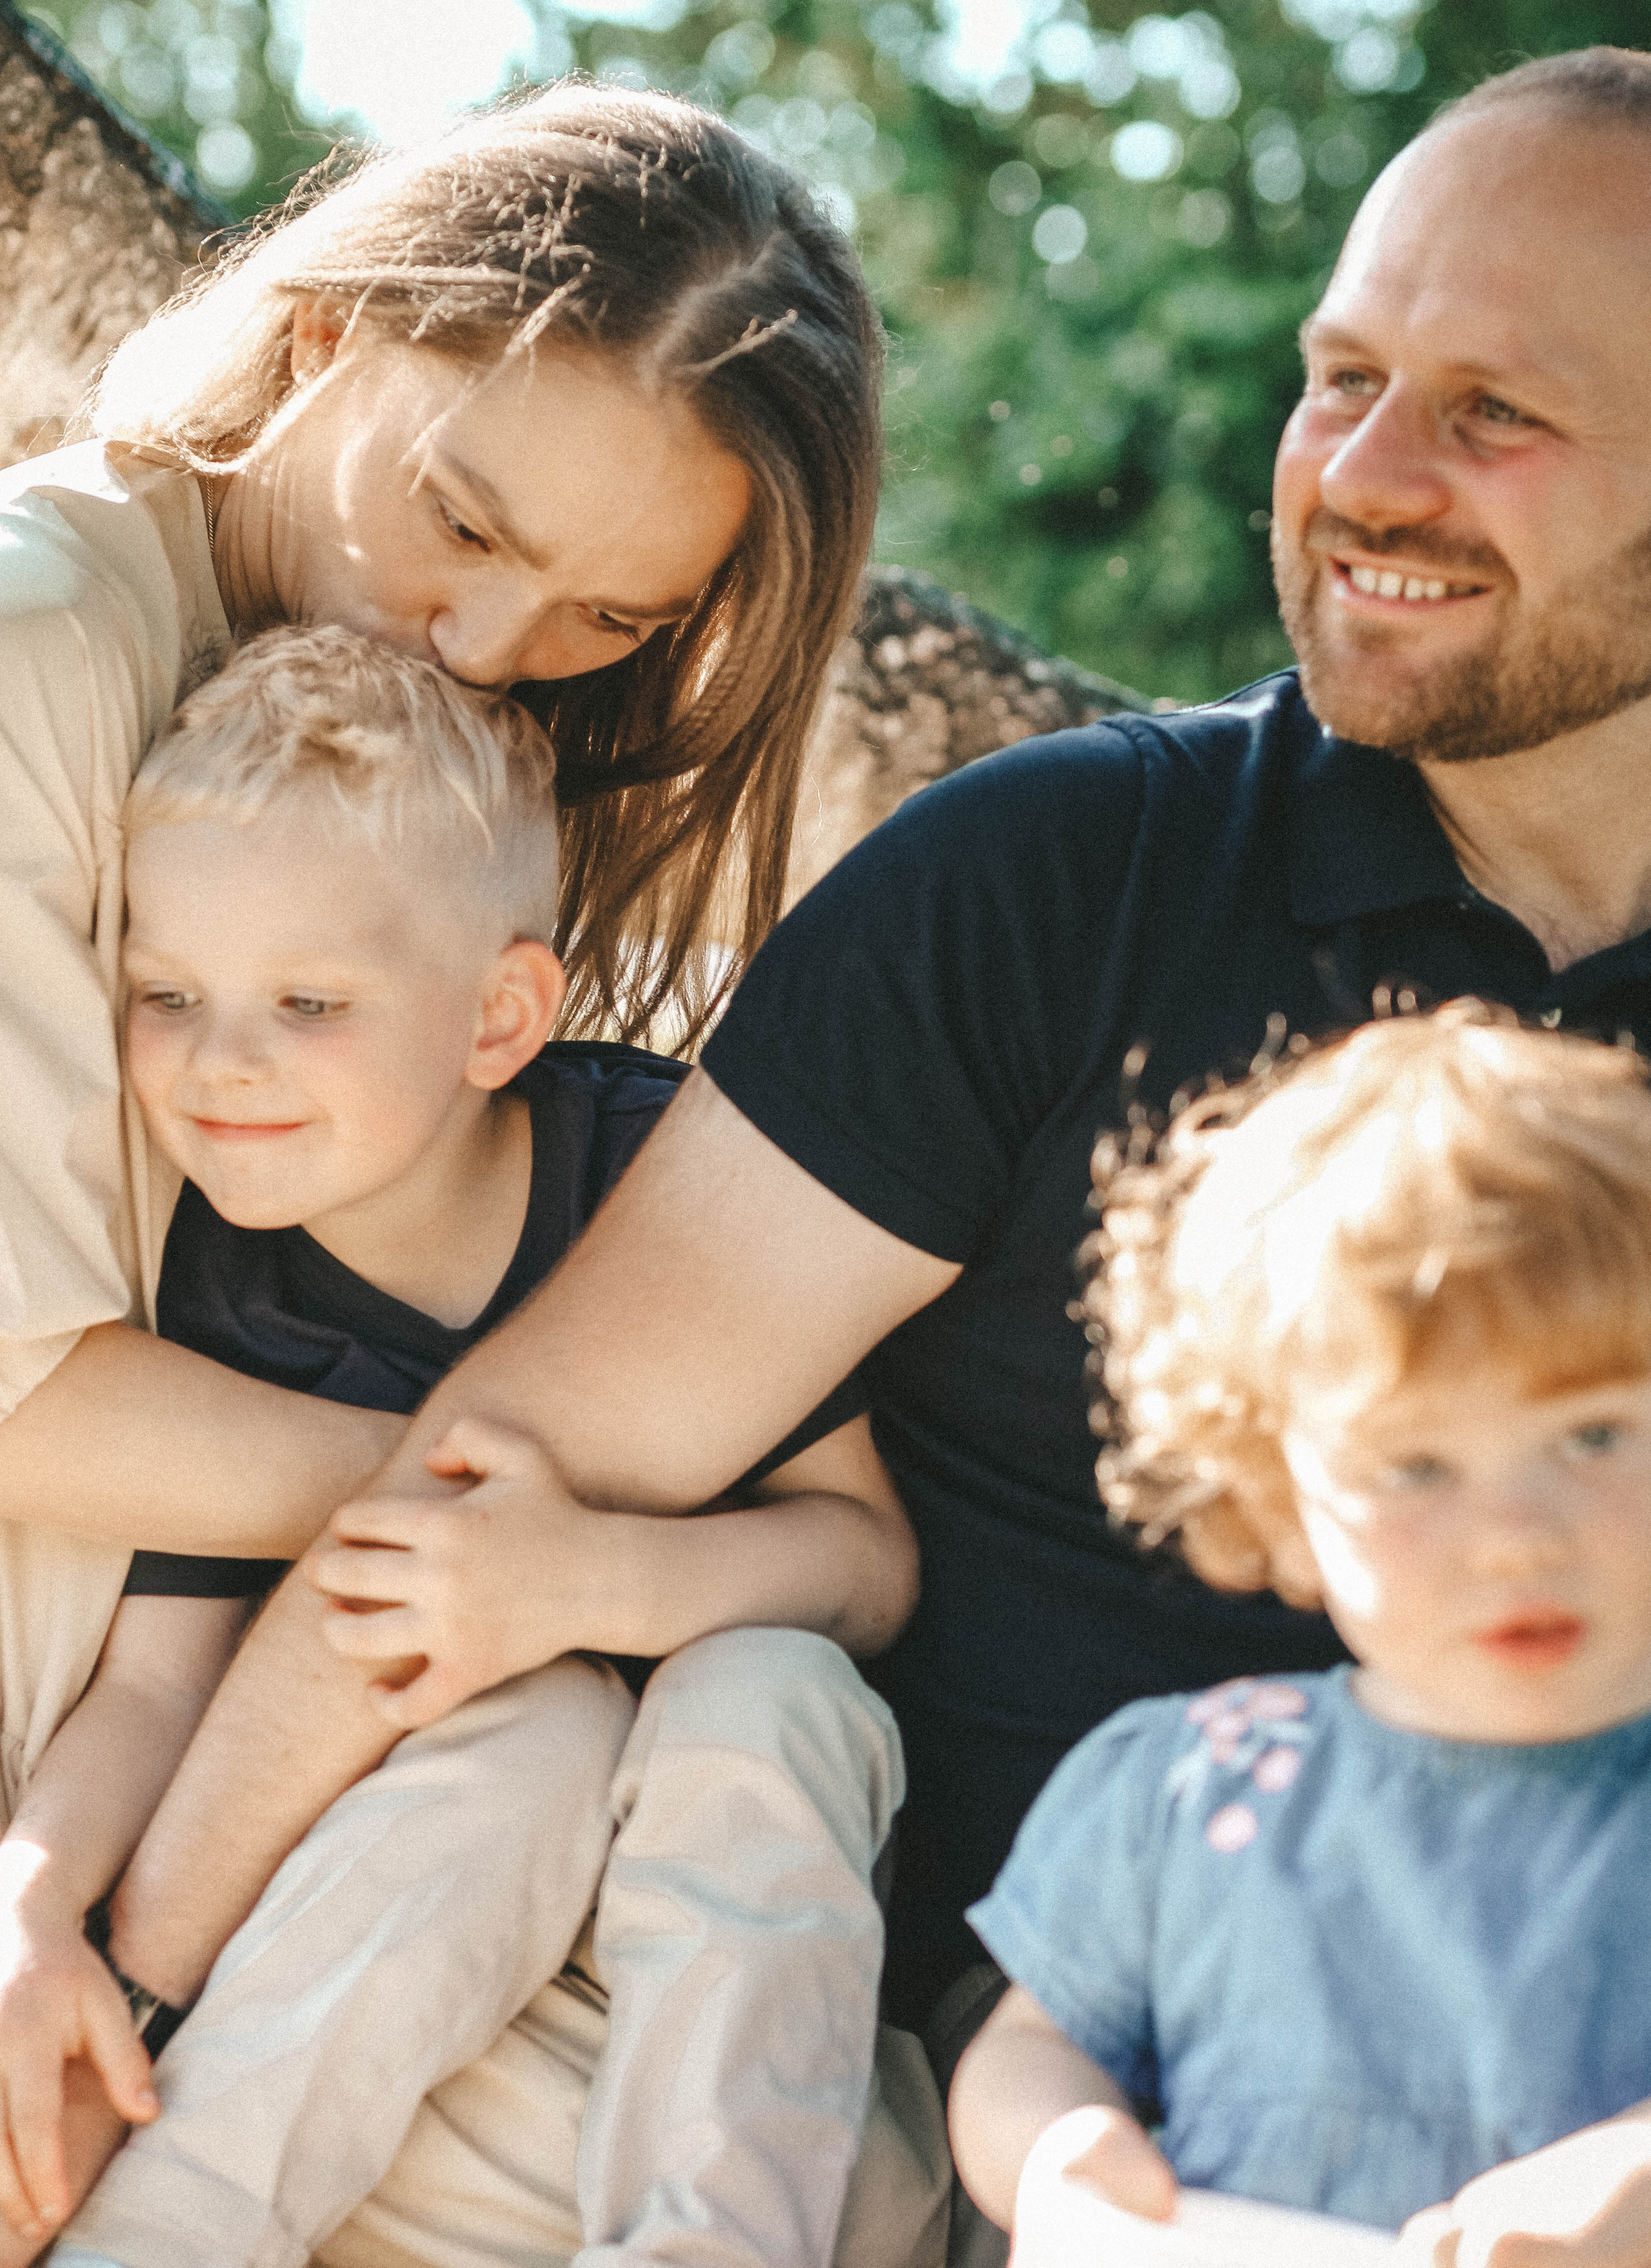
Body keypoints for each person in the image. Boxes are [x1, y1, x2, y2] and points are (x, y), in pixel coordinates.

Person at [117, 41, 1651, 2085]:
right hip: (1075, 2094)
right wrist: (124, 1998)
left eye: (1493, 414)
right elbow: (501, 1482)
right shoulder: (1051, 883)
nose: (1364, 475)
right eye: (1342, 377)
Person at [0, 72, 907, 2268]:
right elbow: (29, 1405)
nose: (497, 643)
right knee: (850, 2197)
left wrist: (586, 1553)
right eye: (466, 522)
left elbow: (830, 1574)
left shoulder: (431, 824)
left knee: (717, 1821)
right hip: (151, 1769)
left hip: (413, 1775)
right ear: (326, 326)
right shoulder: (41, 642)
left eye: (610, 614)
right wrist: (542, 1492)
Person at [592, 1003, 1651, 2268]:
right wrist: (1061, 2164)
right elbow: (1031, 2050)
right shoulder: (1190, 1780)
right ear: (1276, 1494)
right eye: (1411, 1465)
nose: (1509, 1536)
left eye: (1589, 1436)